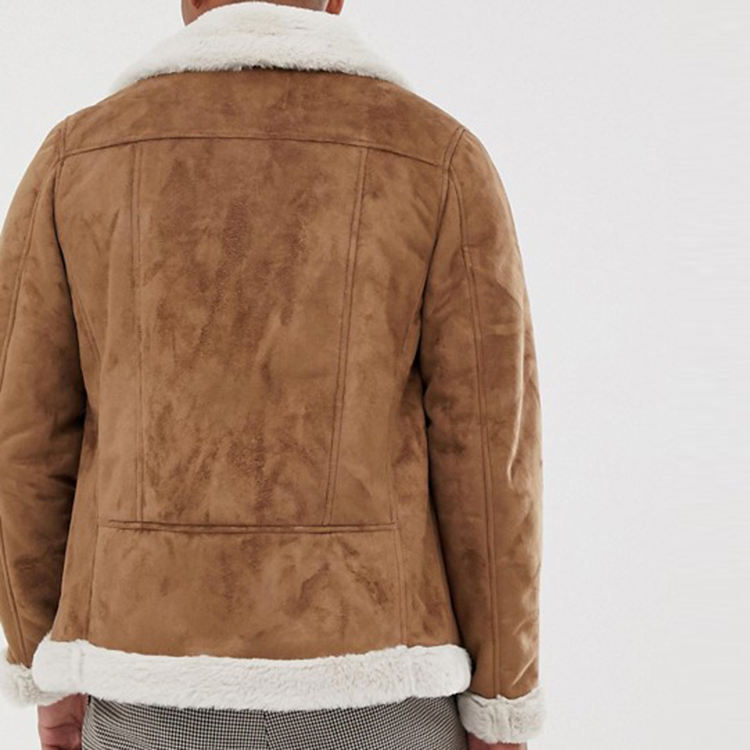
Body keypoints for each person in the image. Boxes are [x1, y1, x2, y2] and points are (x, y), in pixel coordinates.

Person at [0, 1, 545, 749]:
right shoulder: (437, 156)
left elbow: (22, 439)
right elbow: (488, 457)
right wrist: (502, 697)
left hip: (144, 691)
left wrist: (43, 664)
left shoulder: (77, 157)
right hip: (382, 692)